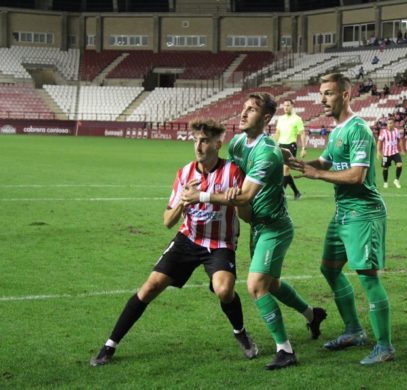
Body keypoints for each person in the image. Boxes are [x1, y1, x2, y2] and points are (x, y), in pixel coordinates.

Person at [90, 119, 258, 366]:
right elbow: (168, 221)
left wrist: (239, 200)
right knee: (150, 287)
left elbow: (248, 217)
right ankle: (110, 345)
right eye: (195, 141)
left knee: (224, 290)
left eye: (204, 141)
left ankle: (240, 332)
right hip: (188, 239)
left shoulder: (232, 172)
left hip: (220, 243)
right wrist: (182, 201)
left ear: (218, 144)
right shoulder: (184, 173)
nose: (198, 146)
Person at [183, 92, 327, 370]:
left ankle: (285, 350)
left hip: (275, 227)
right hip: (256, 226)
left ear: (266, 118)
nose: (243, 113)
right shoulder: (237, 143)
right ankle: (312, 315)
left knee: (256, 286)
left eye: (251, 110)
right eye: (244, 108)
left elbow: (245, 195)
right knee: (271, 285)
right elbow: (230, 174)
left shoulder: (265, 152)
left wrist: (201, 196)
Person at [290, 73, 395, 365]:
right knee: (330, 269)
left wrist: (317, 174)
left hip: (363, 212)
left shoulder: (358, 128)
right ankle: (354, 330)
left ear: (345, 95)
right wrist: (298, 164)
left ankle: (385, 346)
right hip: (343, 213)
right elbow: (325, 161)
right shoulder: (336, 131)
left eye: (328, 94)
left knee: (368, 277)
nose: (322, 99)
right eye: (321, 94)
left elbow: (357, 175)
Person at [274, 99, 306, 200]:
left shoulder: (297, 119)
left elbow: (302, 134)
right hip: (280, 145)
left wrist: (303, 148)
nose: (285, 107)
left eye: (288, 105)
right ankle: (296, 192)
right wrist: (274, 144)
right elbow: (277, 132)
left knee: (285, 169)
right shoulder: (281, 118)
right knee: (285, 172)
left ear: (292, 106)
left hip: (291, 145)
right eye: (284, 105)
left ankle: (281, 193)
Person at [377, 118, 405, 189]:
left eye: (391, 123)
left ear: (393, 124)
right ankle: (385, 182)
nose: (389, 125)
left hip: (395, 152)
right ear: (387, 124)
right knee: (385, 168)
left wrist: (402, 150)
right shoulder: (383, 132)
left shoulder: (396, 131)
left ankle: (396, 180)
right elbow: (379, 142)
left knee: (400, 164)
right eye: (388, 123)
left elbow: (400, 140)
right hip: (386, 154)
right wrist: (378, 151)